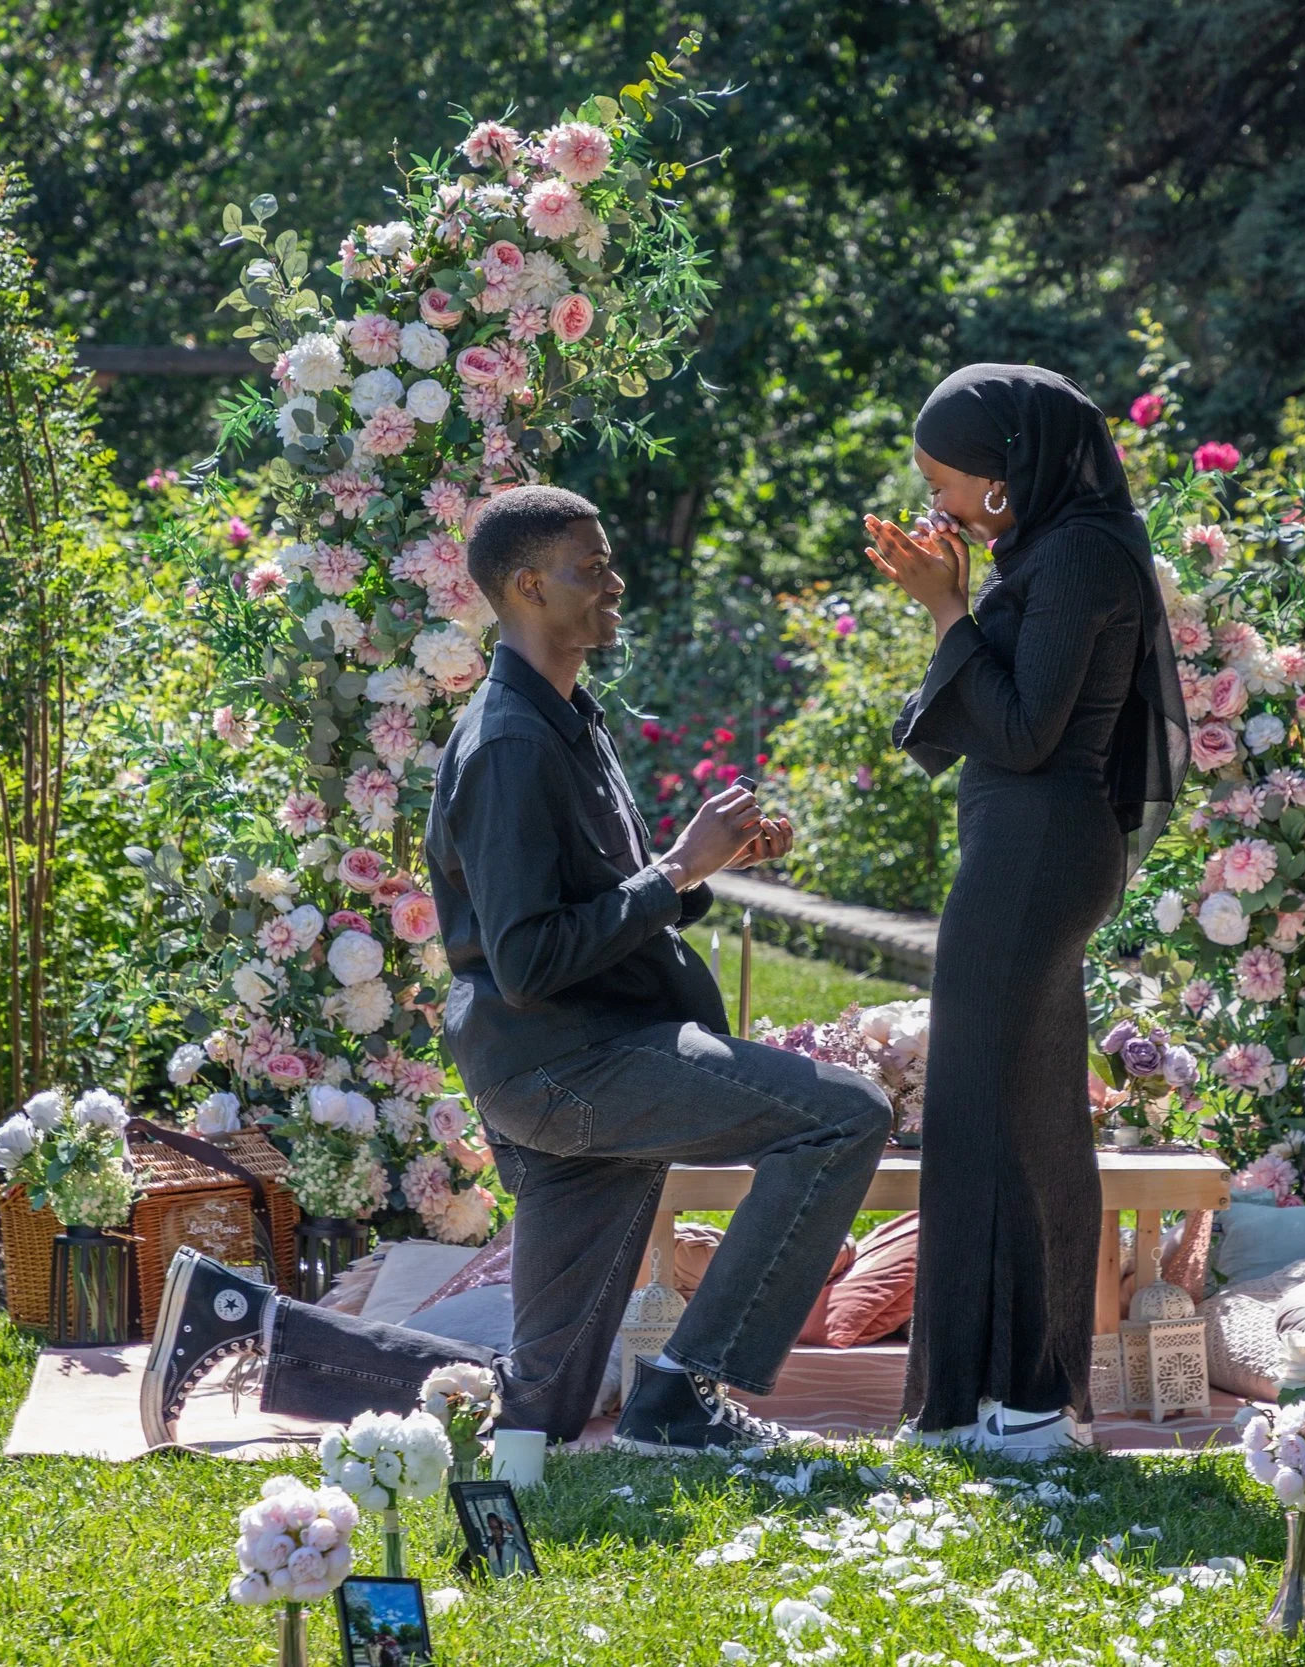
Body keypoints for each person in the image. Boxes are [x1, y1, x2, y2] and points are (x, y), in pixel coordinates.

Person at [140, 484, 891, 1456]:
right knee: (844, 1113)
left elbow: (598, 901)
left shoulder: (569, 719)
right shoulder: (508, 744)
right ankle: (681, 1393)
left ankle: (243, 1317)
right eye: (594, 566)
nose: (615, 582)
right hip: (568, 1064)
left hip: (583, 1055)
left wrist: (702, 870)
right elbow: (529, 957)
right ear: (530, 586)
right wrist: (677, 869)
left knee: (536, 1406)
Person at [863, 364, 1186, 1457]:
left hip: (1040, 850)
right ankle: (1011, 1394)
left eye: (947, 481)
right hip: (1025, 848)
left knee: (987, 1112)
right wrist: (956, 599)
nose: (936, 504)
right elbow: (985, 718)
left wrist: (948, 607)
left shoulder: (1081, 554)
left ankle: (1016, 1398)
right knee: (1021, 1113)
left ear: (1008, 473)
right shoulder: (1043, 549)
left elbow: (1022, 731)